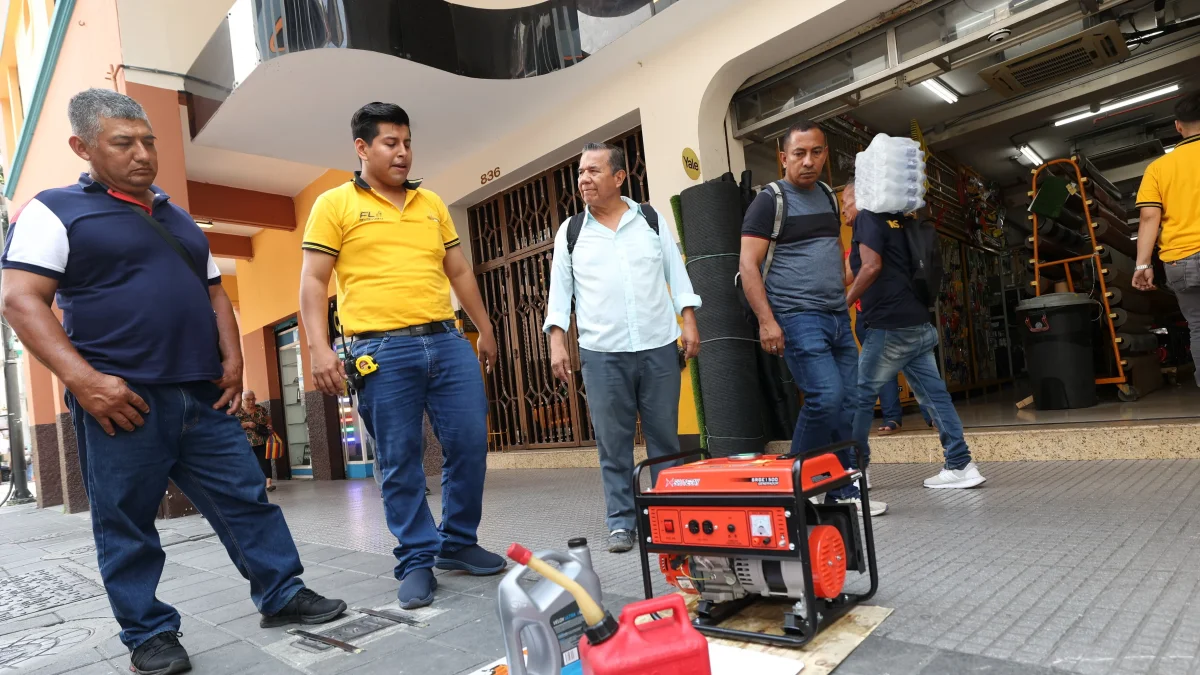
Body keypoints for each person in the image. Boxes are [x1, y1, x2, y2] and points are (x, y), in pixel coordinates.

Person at [0, 89, 345, 675]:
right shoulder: (53, 210)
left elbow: (215, 293)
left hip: (201, 394)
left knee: (246, 500)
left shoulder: (176, 217)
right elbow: (19, 299)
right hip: (121, 400)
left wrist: (233, 361)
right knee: (127, 521)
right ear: (82, 147)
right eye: (123, 143)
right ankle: (149, 633)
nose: (142, 154)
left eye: (148, 142)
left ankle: (282, 594)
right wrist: (85, 383)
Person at [299, 102, 502, 610]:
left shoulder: (431, 202)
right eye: (391, 143)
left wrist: (485, 327)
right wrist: (319, 348)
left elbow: (458, 272)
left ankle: (456, 542)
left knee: (470, 444)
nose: (403, 152)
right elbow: (314, 281)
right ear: (362, 148)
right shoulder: (335, 204)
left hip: (446, 340)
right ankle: (416, 558)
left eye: (407, 142)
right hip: (380, 349)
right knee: (400, 460)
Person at [545, 143, 702, 553]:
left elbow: (676, 270)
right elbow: (560, 290)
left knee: (664, 437)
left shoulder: (649, 219)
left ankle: (670, 514)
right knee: (612, 442)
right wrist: (557, 340)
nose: (583, 179)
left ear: (618, 177)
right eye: (581, 172)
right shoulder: (572, 232)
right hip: (602, 353)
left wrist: (688, 319)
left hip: (658, 345)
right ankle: (621, 521)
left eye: (594, 171)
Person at [739, 120, 885, 516]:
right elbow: (748, 265)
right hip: (797, 315)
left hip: (836, 315)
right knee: (826, 397)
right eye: (799, 153)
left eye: (816, 152)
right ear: (783, 158)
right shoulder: (769, 201)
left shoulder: (825, 194)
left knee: (852, 401)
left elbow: (827, 254)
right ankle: (791, 485)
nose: (808, 161)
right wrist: (768, 322)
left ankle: (840, 489)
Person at [842, 180, 986, 490]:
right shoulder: (895, 220)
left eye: (847, 199)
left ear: (865, 196)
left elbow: (871, 267)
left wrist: (842, 305)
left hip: (890, 327)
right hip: (918, 324)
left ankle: (854, 473)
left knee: (859, 397)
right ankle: (961, 464)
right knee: (935, 396)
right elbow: (854, 270)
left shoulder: (868, 216)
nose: (843, 208)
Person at [1133, 91, 1200, 384]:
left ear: (1177, 126)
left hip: (1181, 260)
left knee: (1198, 326)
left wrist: (1142, 264)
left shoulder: (1158, 169)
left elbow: (1149, 218)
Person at [237, 390, 275, 492]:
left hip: (261, 440)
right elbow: (233, 426)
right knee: (250, 463)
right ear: (242, 400)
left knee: (265, 462)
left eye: (253, 399)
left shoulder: (260, 409)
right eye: (248, 400)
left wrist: (269, 425)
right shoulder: (237, 412)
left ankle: (268, 484)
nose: (251, 402)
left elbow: (268, 419)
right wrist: (247, 424)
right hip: (246, 443)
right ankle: (252, 484)